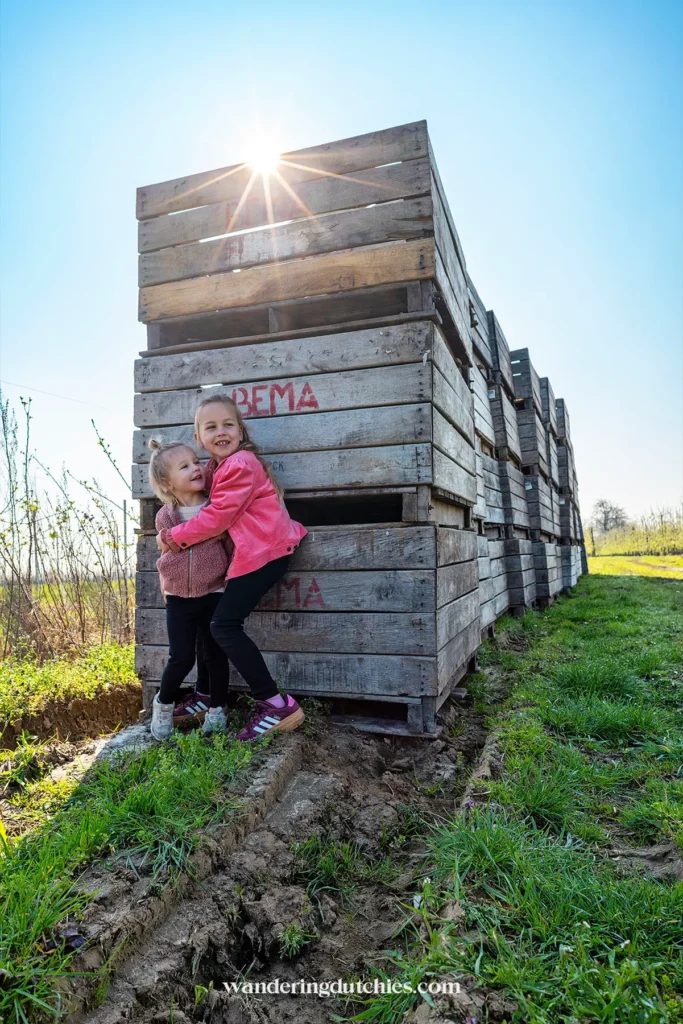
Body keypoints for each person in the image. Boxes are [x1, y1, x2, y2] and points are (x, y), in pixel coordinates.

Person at [157, 394, 307, 741]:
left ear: (240, 430)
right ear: (199, 438)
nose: (221, 431)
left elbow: (217, 516)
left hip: (264, 553)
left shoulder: (240, 463)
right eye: (211, 427)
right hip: (256, 552)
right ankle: (207, 696)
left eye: (228, 424)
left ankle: (275, 703)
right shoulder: (218, 467)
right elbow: (199, 484)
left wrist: (173, 537)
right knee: (213, 625)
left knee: (223, 626)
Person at [147, 439, 234, 741]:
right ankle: (163, 704)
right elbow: (167, 553)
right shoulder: (165, 517)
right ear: (167, 484)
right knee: (181, 658)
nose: (196, 468)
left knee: (215, 655)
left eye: (196, 462)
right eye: (184, 466)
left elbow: (229, 545)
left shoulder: (216, 506)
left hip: (213, 593)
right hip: (178, 599)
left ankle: (217, 711)